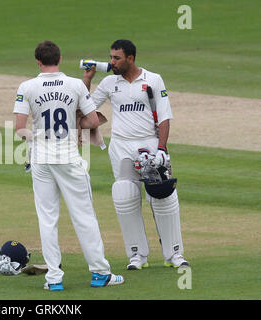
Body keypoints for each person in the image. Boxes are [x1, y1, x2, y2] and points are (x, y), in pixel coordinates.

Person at [13, 41, 124, 291]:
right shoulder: (74, 84)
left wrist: (36, 137)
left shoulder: (27, 86)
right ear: (60, 59)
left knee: (47, 218)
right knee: (84, 216)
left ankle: (54, 278)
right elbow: (94, 119)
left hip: (41, 159)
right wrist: (74, 126)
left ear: (38, 62)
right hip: (68, 158)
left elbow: (20, 127)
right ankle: (100, 273)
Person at [82, 39, 190, 270]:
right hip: (121, 146)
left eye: (117, 58)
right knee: (124, 195)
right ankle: (137, 256)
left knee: (163, 197)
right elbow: (85, 108)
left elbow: (164, 117)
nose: (112, 62)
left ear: (130, 58)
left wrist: (161, 149)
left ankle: (174, 254)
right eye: (110, 57)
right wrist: (87, 80)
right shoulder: (110, 82)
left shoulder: (153, 79)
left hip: (150, 145)